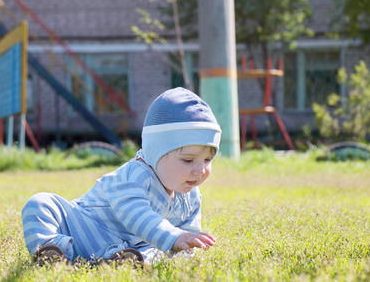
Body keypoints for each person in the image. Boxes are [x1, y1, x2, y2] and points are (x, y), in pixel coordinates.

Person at [21, 87, 222, 266]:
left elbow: (186, 239)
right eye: (188, 160)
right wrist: (174, 237)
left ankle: (118, 261)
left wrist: (186, 248)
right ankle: (53, 251)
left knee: (153, 252)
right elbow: (136, 215)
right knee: (40, 203)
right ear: (155, 152)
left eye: (207, 160)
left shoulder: (191, 196)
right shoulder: (134, 175)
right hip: (83, 229)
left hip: (126, 248)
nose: (200, 170)